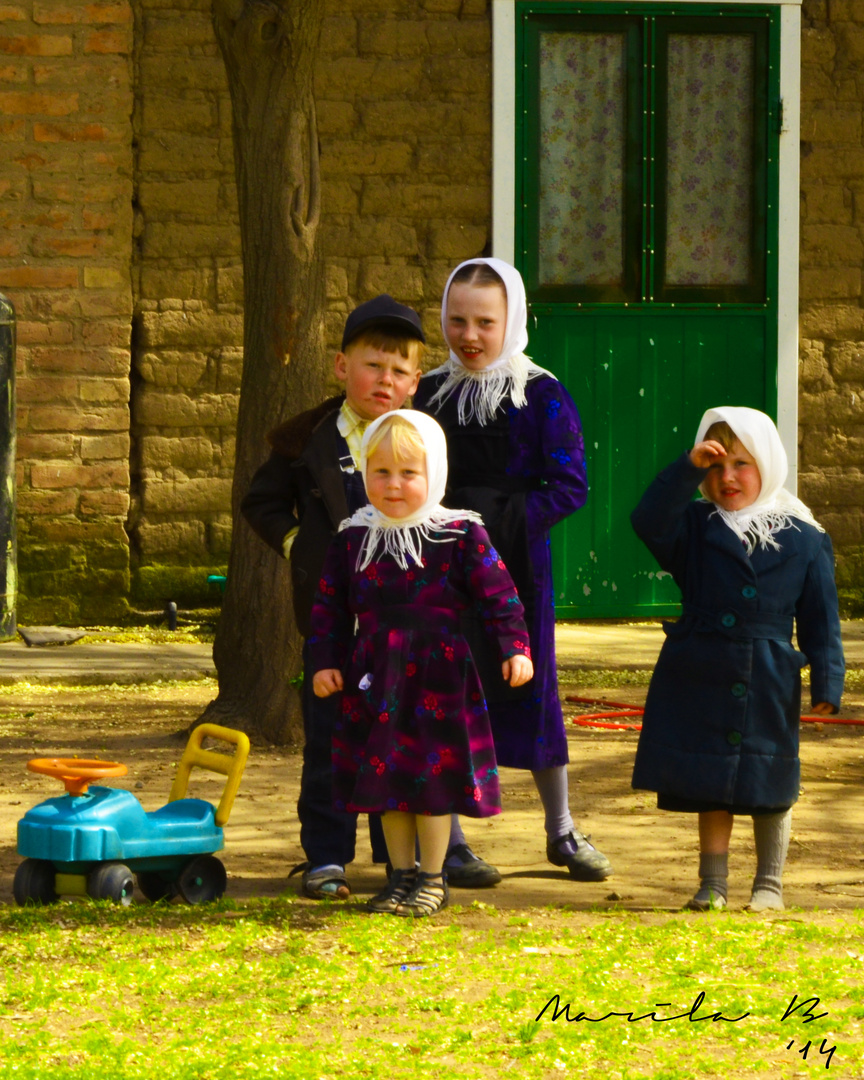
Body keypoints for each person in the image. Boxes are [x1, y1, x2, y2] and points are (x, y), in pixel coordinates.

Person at [414, 257, 613, 885]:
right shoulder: (428, 394)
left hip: (517, 573)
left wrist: (494, 517)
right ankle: (452, 844)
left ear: (512, 321)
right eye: (457, 319)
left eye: (485, 322)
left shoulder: (541, 394)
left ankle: (561, 831)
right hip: (440, 571)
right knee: (445, 694)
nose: (469, 335)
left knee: (534, 691)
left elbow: (571, 485)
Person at [309, 411, 533, 916]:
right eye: (380, 471)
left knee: (431, 784)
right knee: (385, 782)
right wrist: (325, 660)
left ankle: (433, 877)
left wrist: (514, 647)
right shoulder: (354, 538)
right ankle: (400, 875)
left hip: (438, 677)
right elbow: (328, 606)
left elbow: (501, 597)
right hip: (375, 677)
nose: (393, 485)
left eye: (408, 473)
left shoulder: (458, 535)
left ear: (435, 473)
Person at [241, 295, 425, 901]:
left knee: (403, 737)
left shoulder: (424, 445)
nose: (385, 380)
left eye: (399, 371)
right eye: (374, 366)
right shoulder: (308, 442)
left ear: (415, 381)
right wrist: (300, 544)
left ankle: (410, 855)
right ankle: (326, 855)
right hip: (333, 626)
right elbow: (261, 501)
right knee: (330, 740)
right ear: (342, 367)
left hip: (405, 628)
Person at [631, 406, 845, 911]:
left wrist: (827, 686)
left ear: (767, 464)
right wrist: (687, 466)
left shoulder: (805, 538)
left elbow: (821, 619)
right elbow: (647, 520)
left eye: (742, 464)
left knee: (771, 779)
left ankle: (769, 882)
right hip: (702, 668)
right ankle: (713, 882)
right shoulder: (693, 527)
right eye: (715, 465)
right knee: (712, 782)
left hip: (769, 674)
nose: (727, 477)